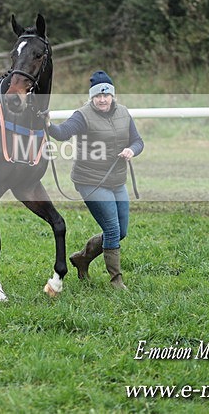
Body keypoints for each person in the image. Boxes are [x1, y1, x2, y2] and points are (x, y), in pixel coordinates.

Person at [45, 70, 144, 289]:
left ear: (112, 96)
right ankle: (116, 280)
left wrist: (131, 150)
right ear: (92, 97)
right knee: (112, 230)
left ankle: (82, 258)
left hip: (117, 180)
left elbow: (138, 141)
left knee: (122, 230)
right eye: (98, 95)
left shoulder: (124, 113)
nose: (102, 99)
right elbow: (63, 133)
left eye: (106, 94)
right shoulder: (82, 115)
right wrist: (49, 125)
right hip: (90, 180)